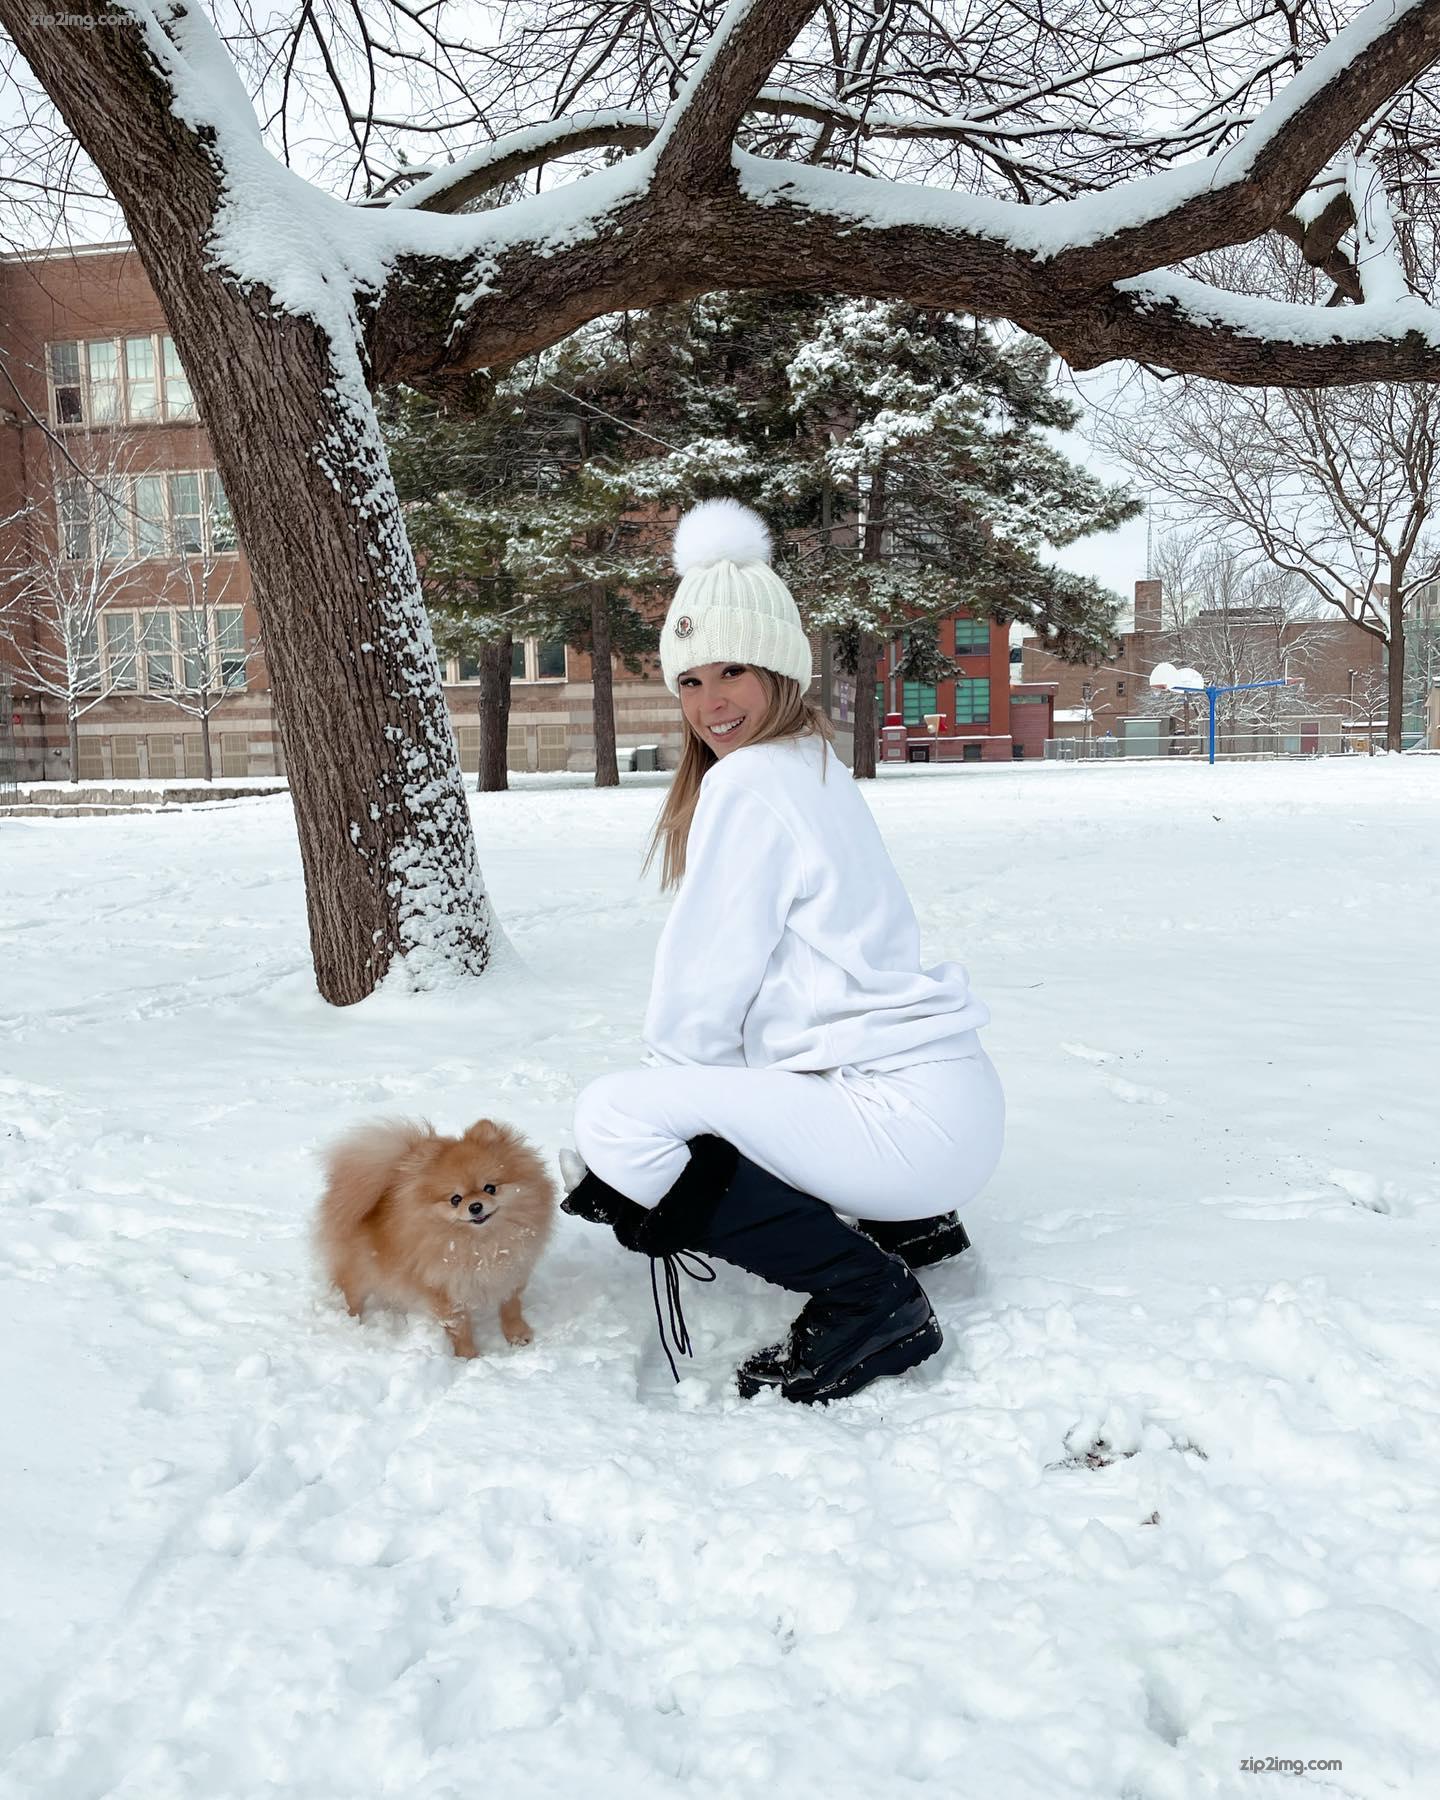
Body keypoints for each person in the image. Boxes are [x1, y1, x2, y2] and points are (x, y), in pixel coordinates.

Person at [563, 498, 1005, 1404]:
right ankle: (907, 1228)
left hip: (900, 1124)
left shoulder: (752, 783)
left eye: (732, 670)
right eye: (690, 681)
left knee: (612, 1118)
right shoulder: (811, 764)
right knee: (705, 1101)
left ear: (780, 668)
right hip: (943, 1109)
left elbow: (703, 982)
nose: (710, 702)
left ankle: (868, 1297)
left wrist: (661, 1155)